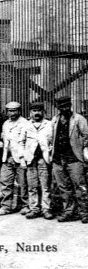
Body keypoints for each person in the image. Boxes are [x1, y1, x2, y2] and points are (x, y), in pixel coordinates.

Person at [50, 95, 88, 223]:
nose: (64, 108)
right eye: (61, 106)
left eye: (67, 105)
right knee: (63, 188)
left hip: (74, 158)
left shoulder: (79, 119)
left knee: (80, 186)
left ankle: (84, 212)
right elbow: (51, 137)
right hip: (58, 159)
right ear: (58, 107)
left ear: (70, 105)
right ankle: (69, 211)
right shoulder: (55, 120)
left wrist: (80, 149)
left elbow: (86, 136)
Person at [0, 101, 29, 216]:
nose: (12, 113)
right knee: (5, 182)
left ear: (19, 111)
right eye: (9, 111)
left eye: (14, 110)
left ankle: (26, 205)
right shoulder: (6, 124)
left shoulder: (25, 123)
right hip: (7, 157)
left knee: (23, 183)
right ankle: (6, 206)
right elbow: (4, 138)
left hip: (20, 157)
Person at [24, 101, 53, 220]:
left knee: (45, 186)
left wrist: (50, 154)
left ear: (43, 112)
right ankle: (34, 209)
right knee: (32, 185)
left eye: (39, 111)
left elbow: (52, 141)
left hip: (43, 159)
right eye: (34, 111)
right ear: (31, 112)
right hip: (30, 159)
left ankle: (46, 209)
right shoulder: (26, 125)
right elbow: (21, 142)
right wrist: (23, 156)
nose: (37, 113)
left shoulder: (49, 124)